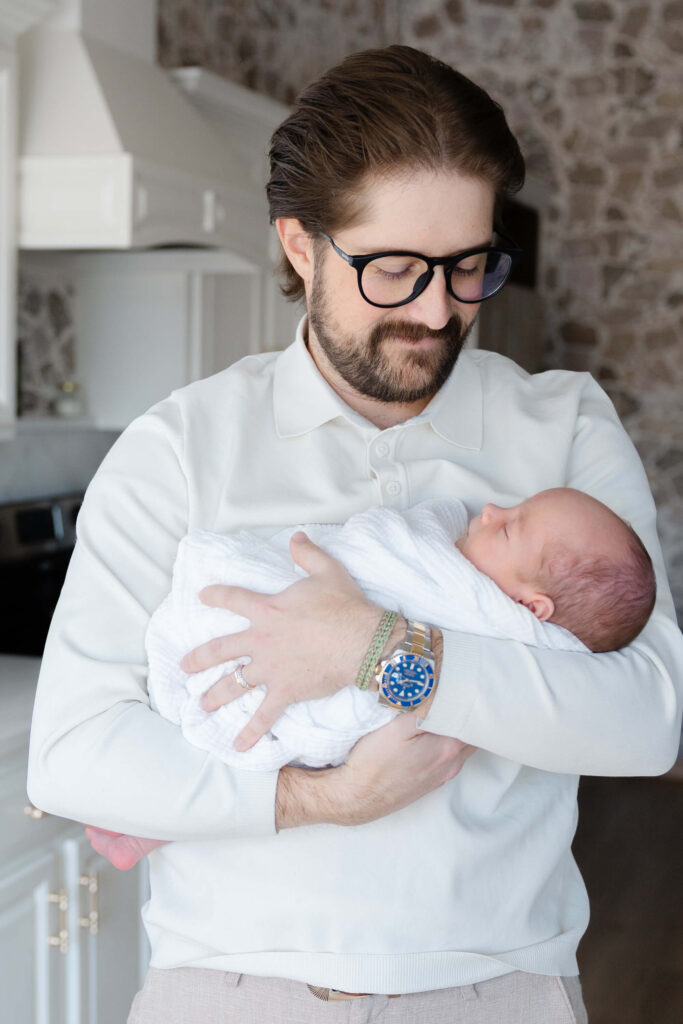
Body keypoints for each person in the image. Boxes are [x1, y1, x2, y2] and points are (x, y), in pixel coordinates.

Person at [27, 45, 682, 1024]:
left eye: (466, 267)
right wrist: (311, 797)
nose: (435, 309)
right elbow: (72, 751)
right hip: (230, 987)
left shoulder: (561, 426)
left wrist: (381, 651)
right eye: (393, 269)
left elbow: (646, 718)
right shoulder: (179, 447)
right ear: (300, 246)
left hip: (495, 989)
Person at [84, 486, 656, 872]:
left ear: (531, 609)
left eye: (507, 532)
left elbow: (643, 726)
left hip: (333, 708)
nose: (489, 513)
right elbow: (377, 547)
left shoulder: (491, 622)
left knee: (291, 725)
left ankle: (156, 820)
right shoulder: (454, 554)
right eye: (510, 508)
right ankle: (154, 815)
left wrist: (366, 644)